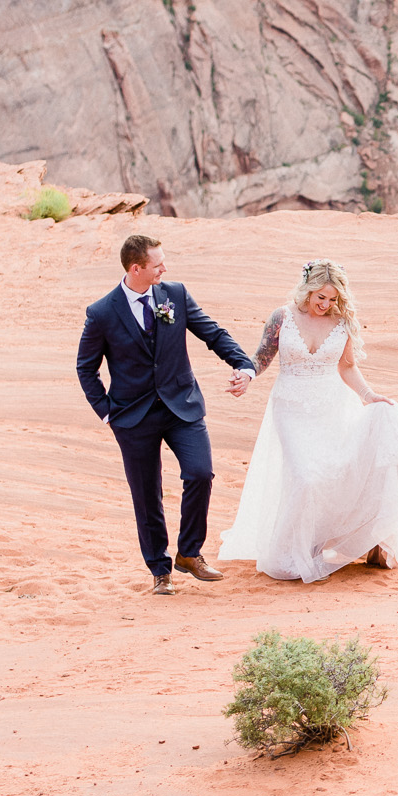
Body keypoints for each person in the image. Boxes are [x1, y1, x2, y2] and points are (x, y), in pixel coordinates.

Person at [218, 259, 398, 583]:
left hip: (331, 406)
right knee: (304, 476)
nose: (325, 304)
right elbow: (261, 357)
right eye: (320, 297)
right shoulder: (282, 317)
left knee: (336, 471)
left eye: (332, 299)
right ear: (307, 291)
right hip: (291, 407)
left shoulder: (342, 322)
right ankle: (295, 552)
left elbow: (347, 367)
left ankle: (357, 538)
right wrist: (246, 375)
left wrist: (369, 396)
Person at [77, 234, 256, 594]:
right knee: (147, 495)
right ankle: (160, 571)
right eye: (158, 264)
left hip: (182, 406)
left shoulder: (175, 294)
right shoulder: (101, 313)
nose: (165, 268)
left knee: (200, 473)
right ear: (136, 268)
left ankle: (189, 554)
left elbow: (212, 333)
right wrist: (107, 413)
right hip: (132, 417)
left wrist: (243, 365)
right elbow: (86, 368)